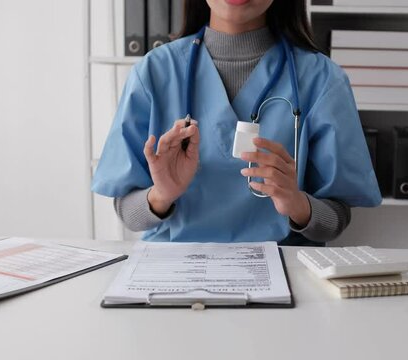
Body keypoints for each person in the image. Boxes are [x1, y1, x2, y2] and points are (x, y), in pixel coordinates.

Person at [91, 0, 381, 245]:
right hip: (174, 272)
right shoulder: (153, 71)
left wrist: (296, 203)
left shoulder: (322, 79)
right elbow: (127, 211)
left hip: (282, 271)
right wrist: (162, 194)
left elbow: (336, 219)